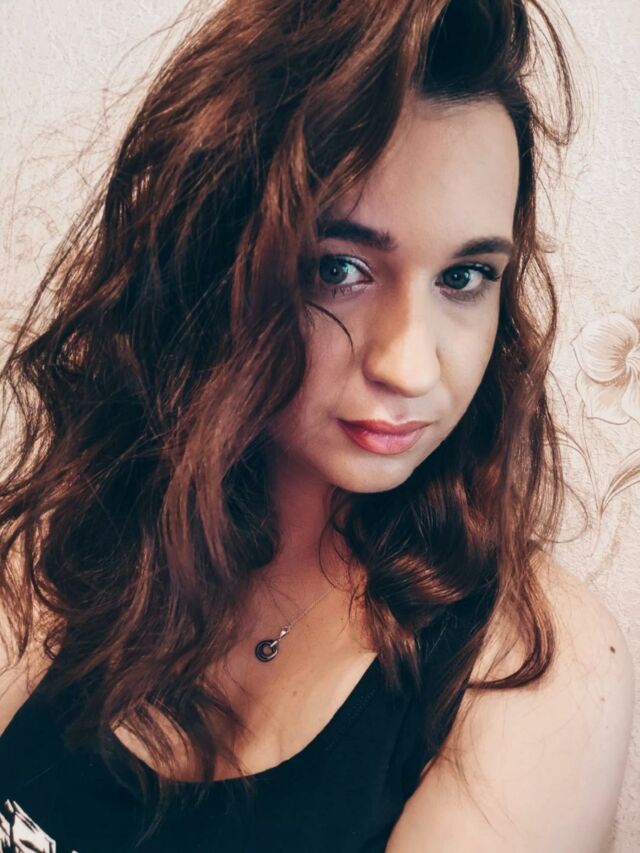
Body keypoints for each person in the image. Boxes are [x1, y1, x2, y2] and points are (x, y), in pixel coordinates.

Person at [0, 0, 634, 851]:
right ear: (212, 254)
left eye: (464, 278)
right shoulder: (73, 535)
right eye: (340, 267)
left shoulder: (527, 664)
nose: (411, 367)